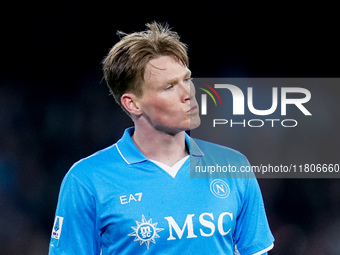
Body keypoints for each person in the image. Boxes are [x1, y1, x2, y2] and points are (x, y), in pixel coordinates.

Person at [49, 22, 274, 255]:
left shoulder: (233, 166)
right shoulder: (87, 180)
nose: (188, 94)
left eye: (187, 79)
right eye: (169, 87)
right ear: (132, 103)